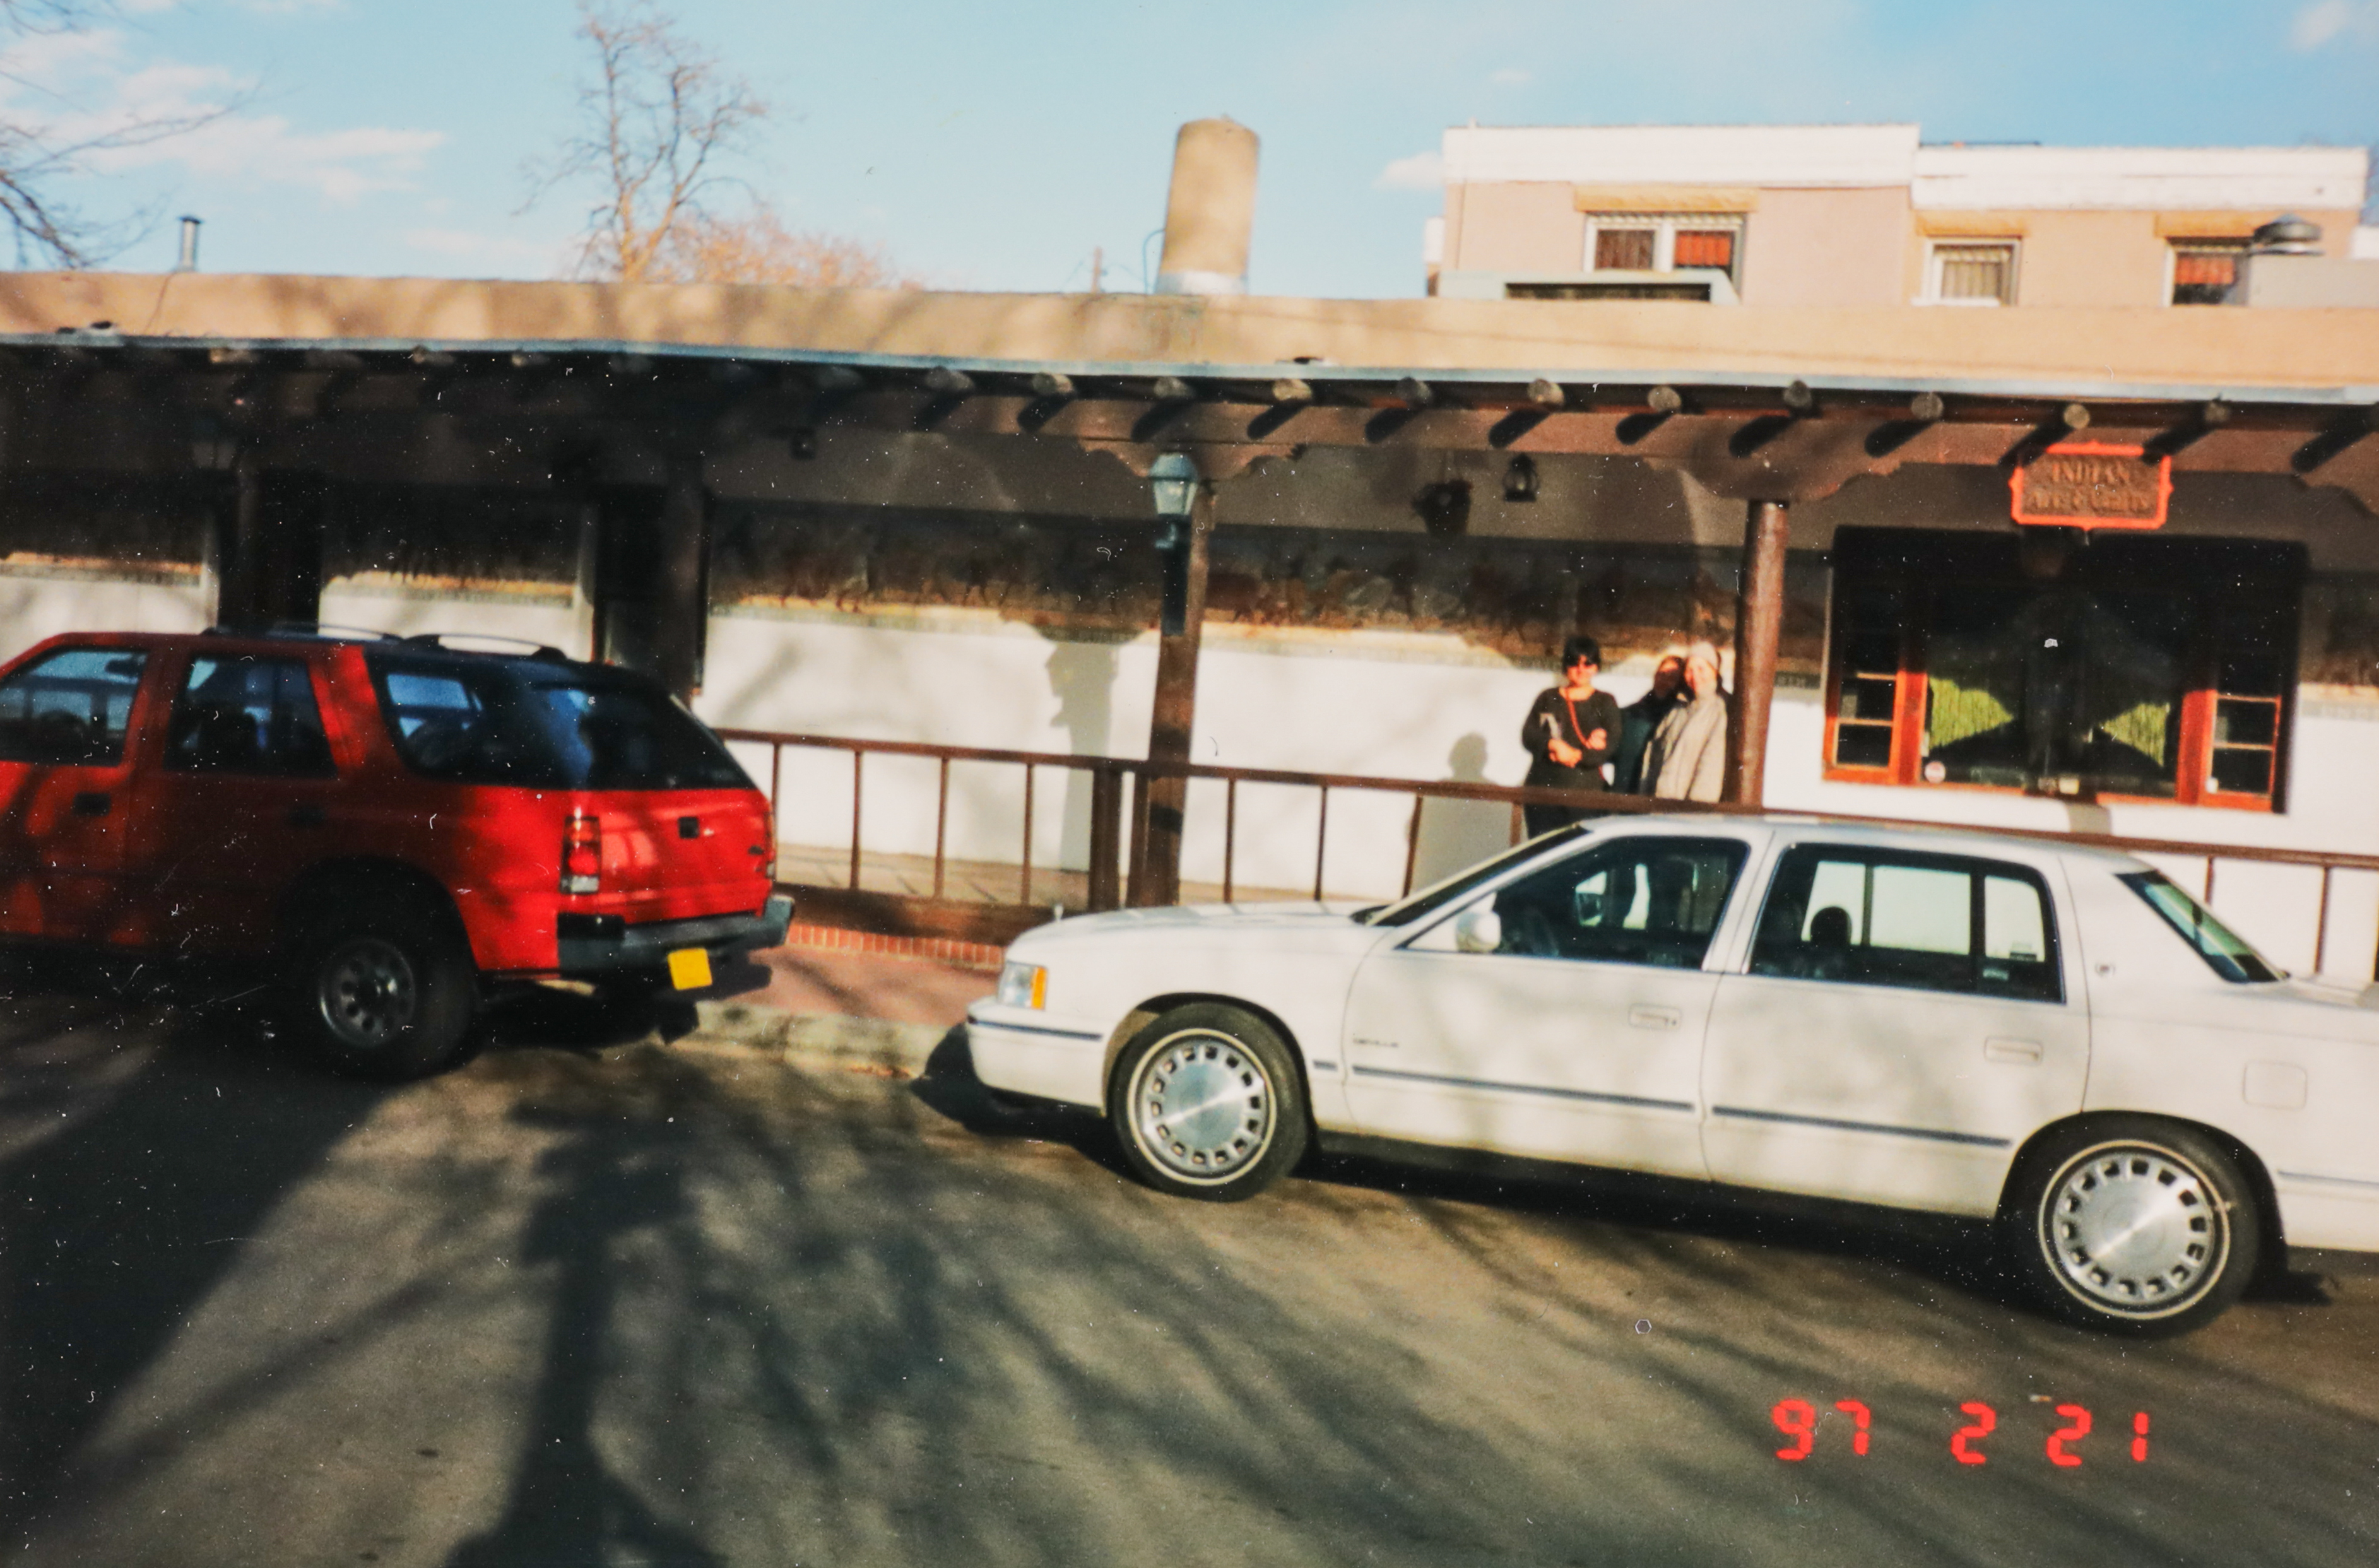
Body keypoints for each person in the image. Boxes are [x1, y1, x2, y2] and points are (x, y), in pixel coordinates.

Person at [1520, 635, 1622, 837]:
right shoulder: (1547, 698)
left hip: (1585, 797)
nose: (1581, 669)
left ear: (1596, 667)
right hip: (1544, 795)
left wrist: (1577, 756)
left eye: (1588, 663)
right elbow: (1528, 735)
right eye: (1574, 663)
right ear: (1565, 665)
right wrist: (1553, 745)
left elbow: (1612, 743)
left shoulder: (1605, 702)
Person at [1644, 640, 1730, 803]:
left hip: (1687, 811)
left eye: (1701, 669)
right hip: (1660, 805)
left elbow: (1710, 768)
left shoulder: (1718, 711)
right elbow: (1654, 755)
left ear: (1714, 671)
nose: (1695, 676)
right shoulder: (1678, 709)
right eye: (1689, 670)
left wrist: (1696, 811)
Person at [1614, 652, 1685, 794]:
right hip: (1625, 792)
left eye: (1672, 677)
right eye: (1662, 674)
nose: (1664, 680)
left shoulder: (1680, 718)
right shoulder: (1630, 714)